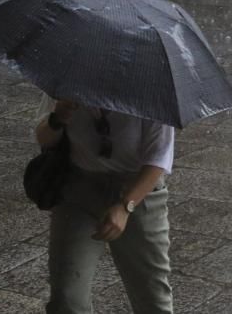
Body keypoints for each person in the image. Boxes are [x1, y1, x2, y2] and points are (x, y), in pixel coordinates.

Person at [35, 97, 175, 314]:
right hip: (79, 190)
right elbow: (43, 138)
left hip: (138, 191)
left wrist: (125, 206)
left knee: (152, 298)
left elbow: (159, 158)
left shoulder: (150, 89)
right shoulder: (67, 81)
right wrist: (57, 119)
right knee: (66, 297)